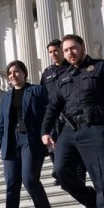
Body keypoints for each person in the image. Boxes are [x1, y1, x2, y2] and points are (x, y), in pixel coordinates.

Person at [41, 34, 104, 208]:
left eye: (73, 48)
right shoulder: (63, 77)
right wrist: (44, 131)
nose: (70, 53)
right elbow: (53, 106)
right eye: (66, 50)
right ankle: (92, 202)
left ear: (82, 47)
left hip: (96, 127)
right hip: (70, 131)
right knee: (61, 171)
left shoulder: (101, 67)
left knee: (102, 176)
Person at [0, 60, 54, 208]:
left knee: (29, 179)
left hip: (31, 140)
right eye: (10, 73)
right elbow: (1, 124)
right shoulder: (5, 97)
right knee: (11, 184)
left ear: (24, 73)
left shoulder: (38, 91)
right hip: (10, 142)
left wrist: (49, 134)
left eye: (16, 72)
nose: (13, 75)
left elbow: (50, 113)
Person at [40, 39, 88, 187]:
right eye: (50, 52)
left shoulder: (71, 68)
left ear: (62, 51)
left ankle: (80, 176)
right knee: (54, 147)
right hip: (54, 116)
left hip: (70, 115)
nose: (53, 54)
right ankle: (60, 173)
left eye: (56, 51)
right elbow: (43, 94)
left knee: (76, 149)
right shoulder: (47, 73)